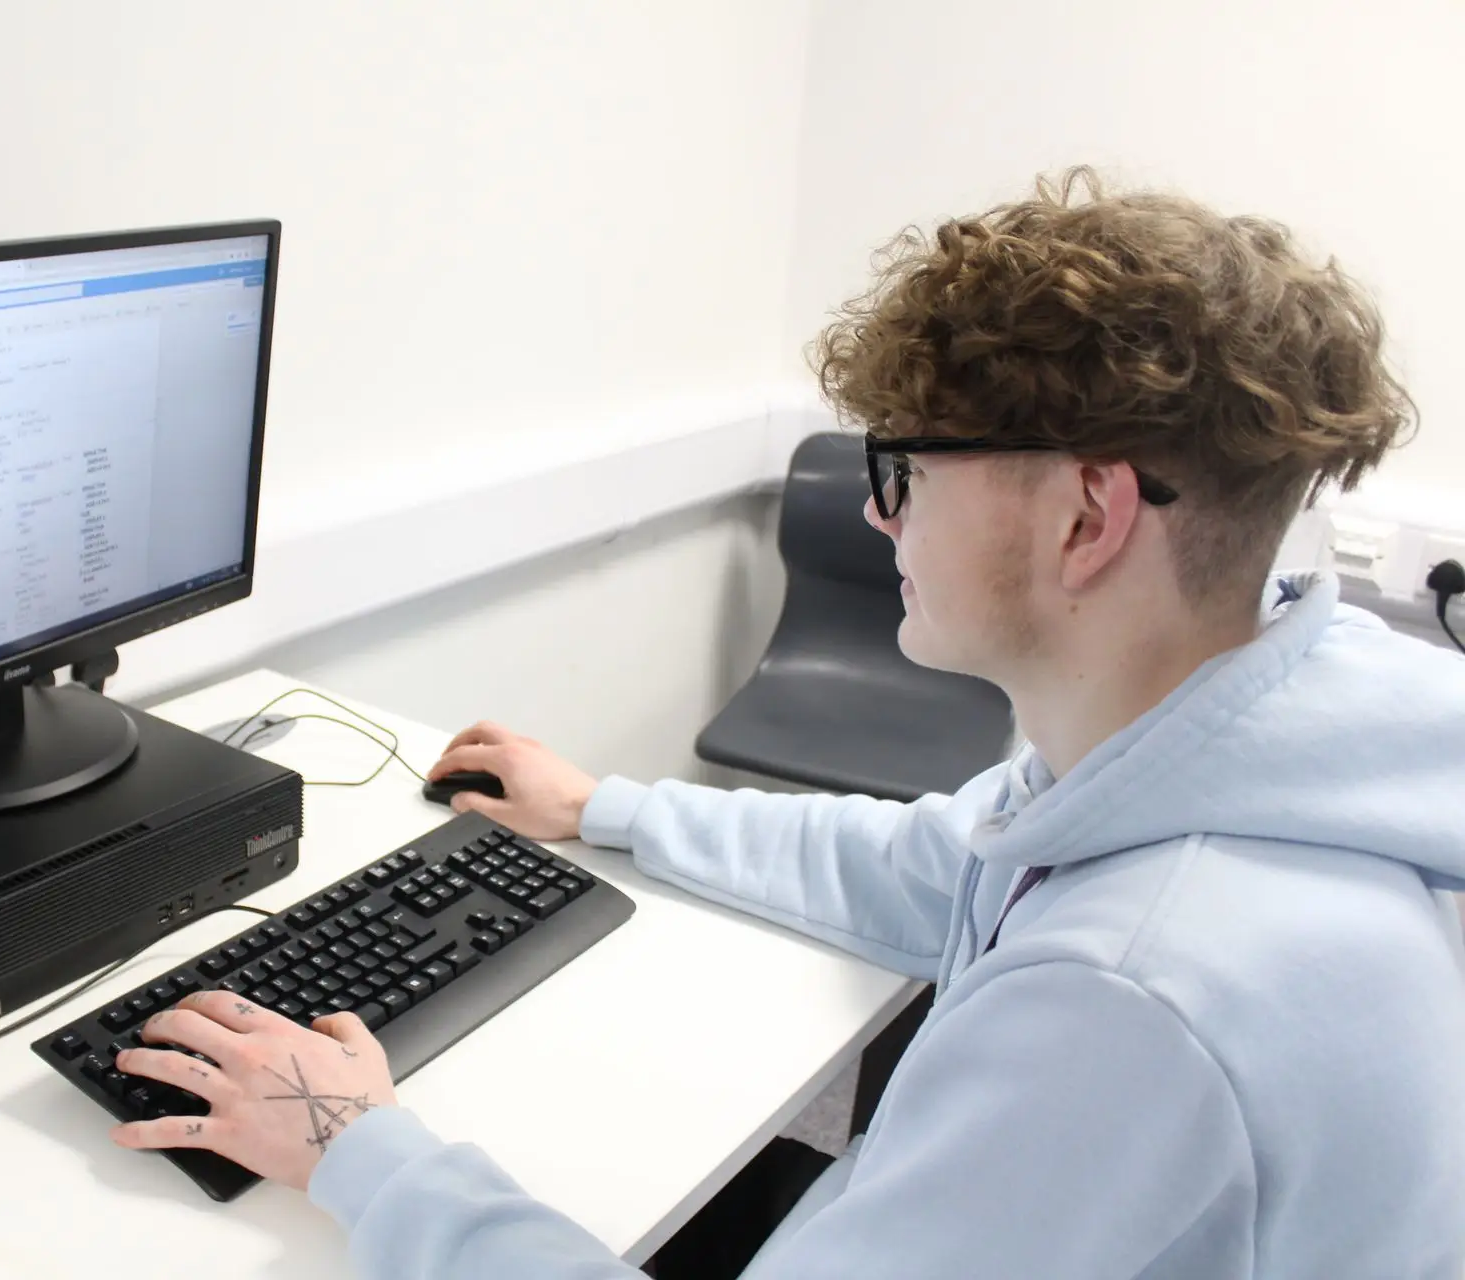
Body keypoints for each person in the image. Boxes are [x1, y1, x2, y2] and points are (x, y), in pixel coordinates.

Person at [107, 170, 1465, 1277]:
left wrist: (359, 1148)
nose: (879, 516)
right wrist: (609, 811)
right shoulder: (1256, 722)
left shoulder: (1132, 1003)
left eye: (905, 470)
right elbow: (945, 858)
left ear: (1087, 516)